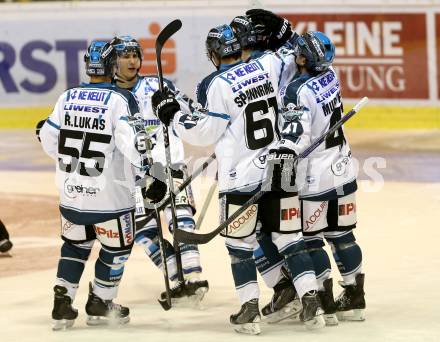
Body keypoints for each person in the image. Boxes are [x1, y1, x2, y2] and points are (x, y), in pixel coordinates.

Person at [152, 24, 325, 334]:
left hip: (239, 177)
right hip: (279, 167)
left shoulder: (214, 83)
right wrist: (281, 26)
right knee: (290, 238)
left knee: (239, 245)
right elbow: (297, 51)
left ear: (214, 54)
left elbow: (205, 131)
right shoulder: (268, 64)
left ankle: (250, 311)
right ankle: (312, 304)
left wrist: (171, 115)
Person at [38, 41, 161, 330]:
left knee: (74, 247)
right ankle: (101, 300)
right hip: (111, 200)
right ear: (111, 66)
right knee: (116, 249)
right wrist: (151, 175)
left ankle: (62, 302)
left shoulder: (67, 96)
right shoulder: (120, 100)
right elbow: (135, 145)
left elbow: (47, 138)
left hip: (72, 196)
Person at [110, 35, 209, 304]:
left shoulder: (156, 84)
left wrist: (173, 105)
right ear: (113, 60)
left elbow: (192, 111)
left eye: (135, 55)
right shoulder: (110, 95)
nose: (132, 60)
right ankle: (176, 277)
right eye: (125, 55)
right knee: (143, 232)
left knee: (179, 217)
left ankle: (194, 274)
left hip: (168, 165)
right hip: (132, 177)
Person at [277, 31, 365, 323]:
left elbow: (297, 139)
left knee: (311, 239)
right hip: (344, 167)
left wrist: (282, 158)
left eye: (298, 53)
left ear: (302, 59)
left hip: (315, 178)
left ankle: (326, 304)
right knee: (342, 235)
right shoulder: (332, 75)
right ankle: (355, 297)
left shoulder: (296, 90)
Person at [229, 12, 302, 323]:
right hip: (289, 152)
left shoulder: (247, 68)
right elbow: (302, 48)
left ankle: (288, 288)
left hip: (255, 162)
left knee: (255, 230)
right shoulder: (280, 59)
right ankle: (313, 293)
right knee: (289, 229)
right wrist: (283, 29)